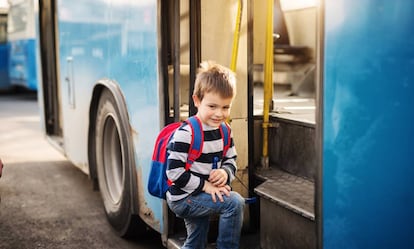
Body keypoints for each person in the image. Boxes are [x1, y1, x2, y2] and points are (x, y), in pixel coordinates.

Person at [166, 61, 244, 249]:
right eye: (212, 106)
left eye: (225, 107)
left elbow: (231, 159)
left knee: (196, 242)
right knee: (234, 203)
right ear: (197, 101)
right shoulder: (187, 133)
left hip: (198, 194)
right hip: (183, 197)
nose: (219, 113)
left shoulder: (225, 131)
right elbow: (173, 173)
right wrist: (207, 186)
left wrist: (226, 172)